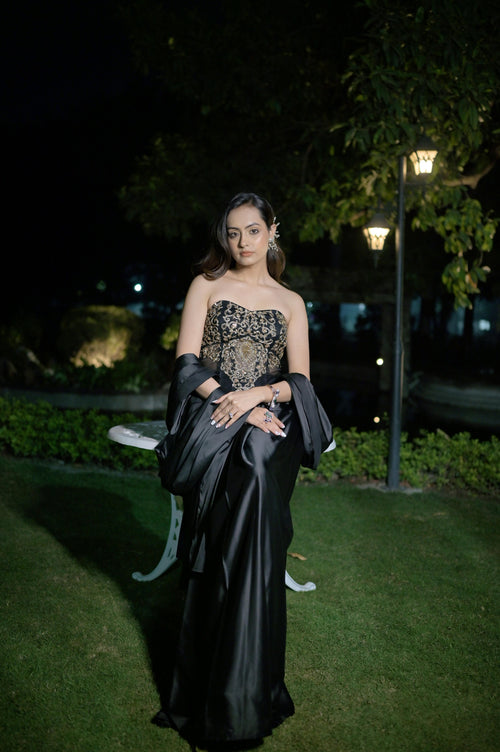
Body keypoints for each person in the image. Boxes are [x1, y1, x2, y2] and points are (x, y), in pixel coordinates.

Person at [154, 192, 332, 751]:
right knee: (251, 458)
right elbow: (187, 365)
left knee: (259, 453)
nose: (242, 242)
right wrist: (235, 403)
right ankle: (237, 691)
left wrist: (258, 398)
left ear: (272, 231)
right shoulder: (205, 285)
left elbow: (299, 384)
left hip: (267, 415)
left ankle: (236, 688)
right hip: (212, 415)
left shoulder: (291, 301)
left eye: (253, 231)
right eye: (232, 233)